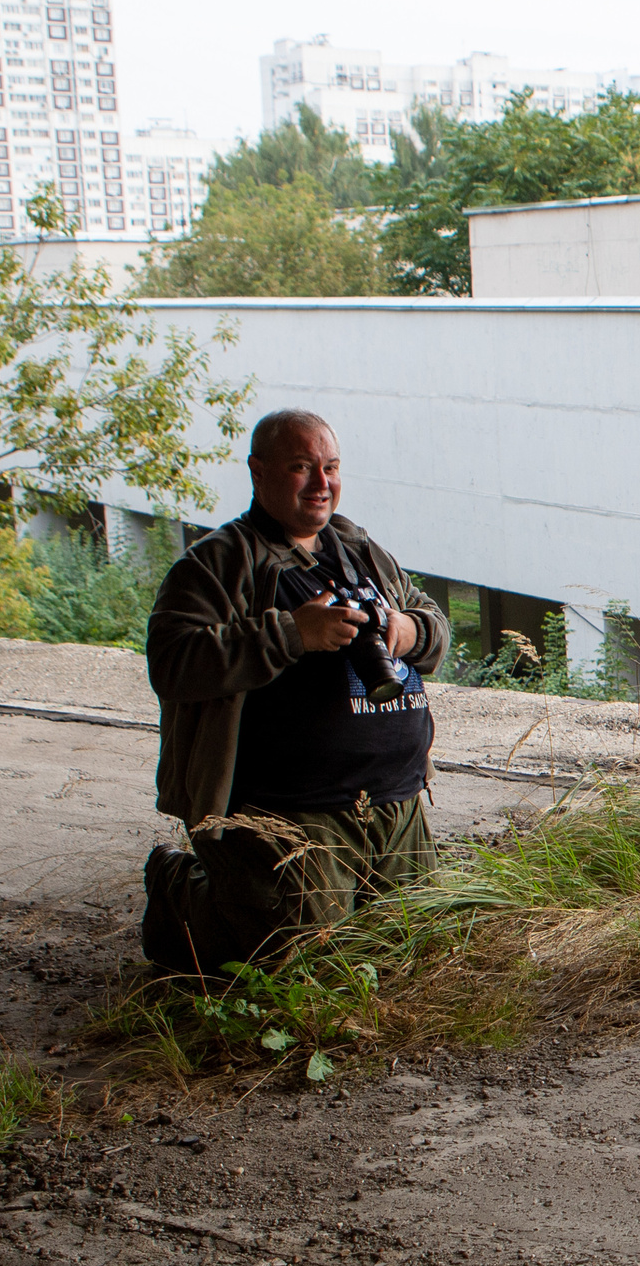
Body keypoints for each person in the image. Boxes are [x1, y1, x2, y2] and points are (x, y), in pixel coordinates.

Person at [141, 409, 450, 973]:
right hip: (287, 808)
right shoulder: (218, 562)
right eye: (301, 467)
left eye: (330, 467)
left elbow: (432, 624)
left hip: (394, 798)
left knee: (419, 948)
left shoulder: (360, 549)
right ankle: (179, 888)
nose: (321, 483)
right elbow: (171, 661)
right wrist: (291, 634)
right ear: (258, 473)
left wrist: (406, 630)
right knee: (301, 962)